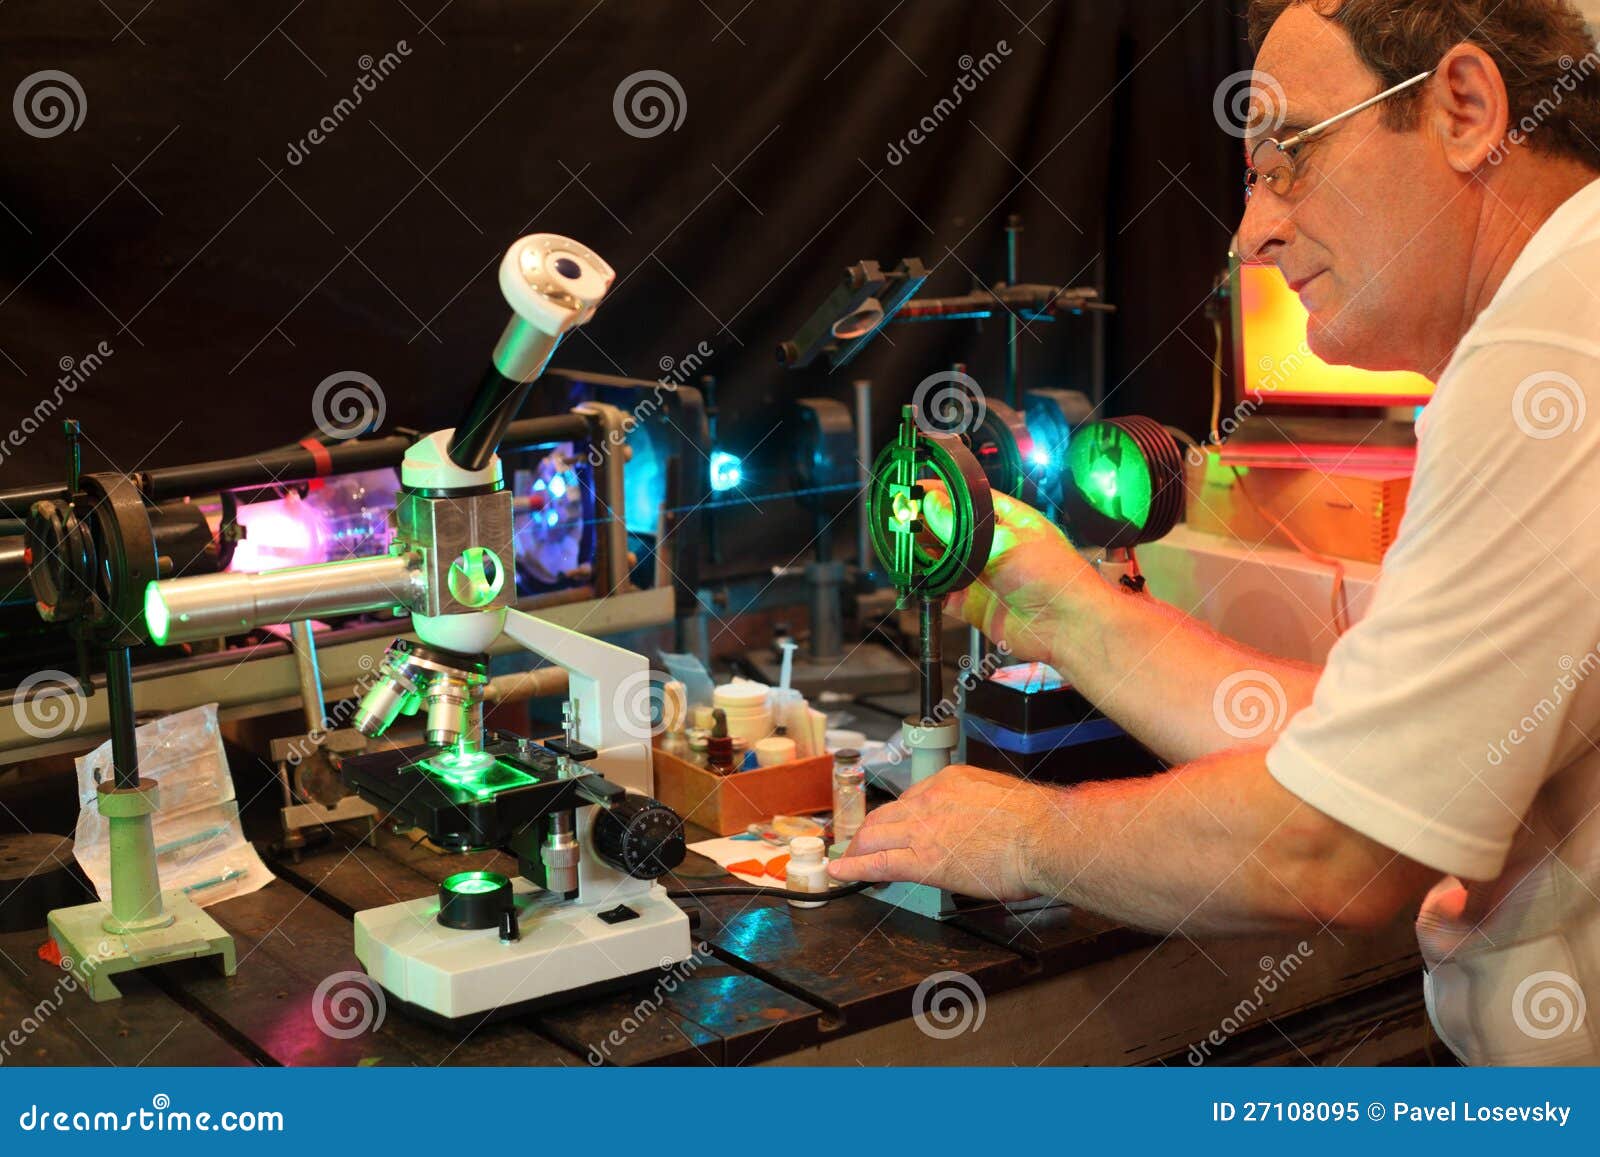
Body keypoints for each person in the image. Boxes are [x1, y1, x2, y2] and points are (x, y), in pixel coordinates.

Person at [829, 0, 1600, 1065]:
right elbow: (1358, 754)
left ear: (1463, 107)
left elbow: (1339, 847)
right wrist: (1066, 608)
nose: (1254, 229)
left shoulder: (1554, 350)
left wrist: (1018, 834)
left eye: (1288, 158)